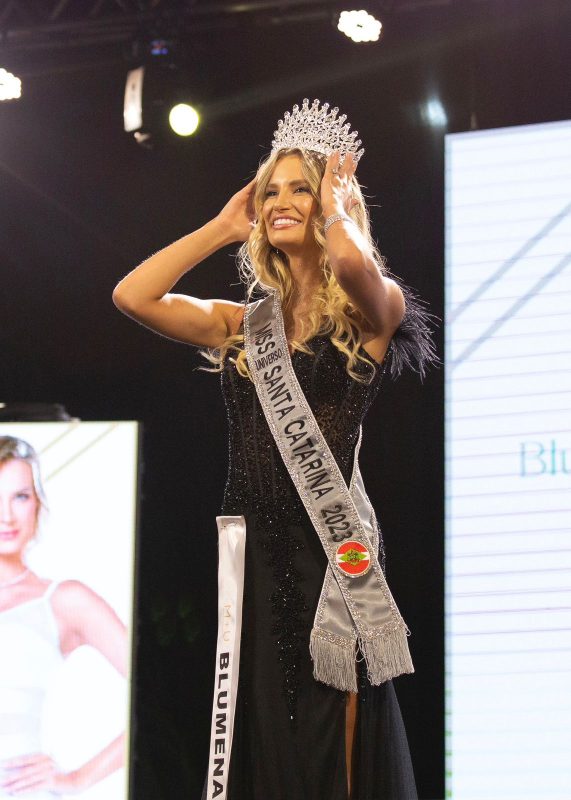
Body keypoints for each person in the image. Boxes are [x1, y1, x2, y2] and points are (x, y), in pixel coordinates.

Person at [113, 98, 437, 800]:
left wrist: (337, 212)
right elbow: (133, 295)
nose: (281, 201)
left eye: (301, 187)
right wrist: (223, 226)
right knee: (263, 744)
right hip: (255, 563)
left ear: (329, 201)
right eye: (271, 190)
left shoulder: (368, 316)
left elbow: (352, 264)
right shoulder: (240, 325)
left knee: (333, 744)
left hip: (331, 563)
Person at [0, 436, 127, 799]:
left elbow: (155, 690)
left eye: (19, 496)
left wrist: (77, 779)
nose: (6, 515)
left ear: (37, 503)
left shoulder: (63, 600)